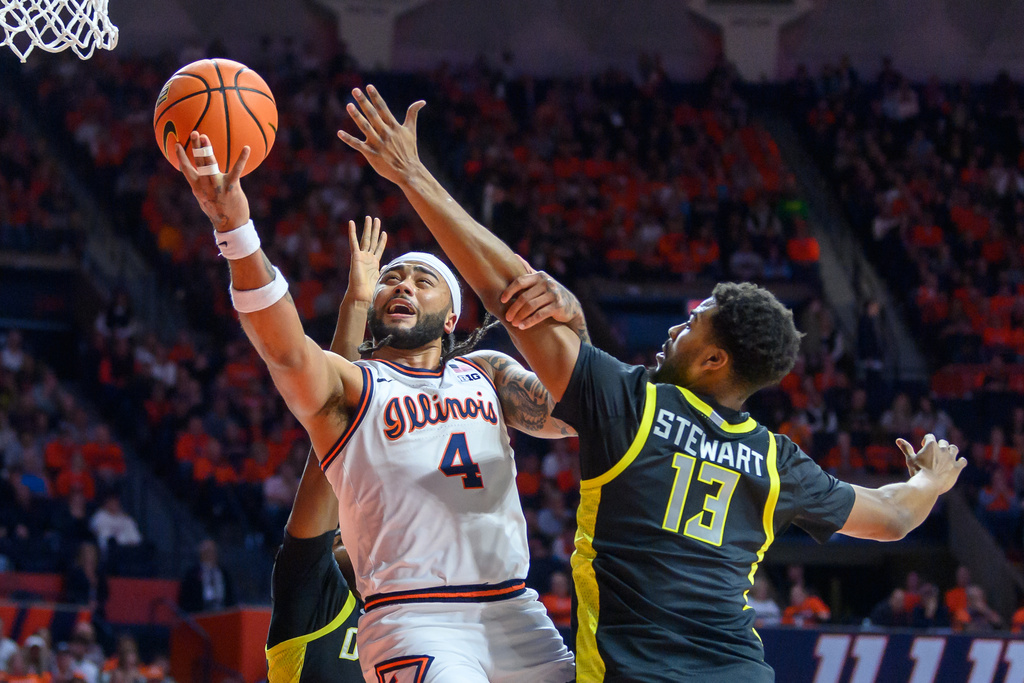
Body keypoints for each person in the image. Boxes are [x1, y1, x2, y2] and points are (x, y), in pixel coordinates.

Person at [339, 84, 967, 682]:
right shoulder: (776, 462)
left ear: (715, 361)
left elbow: (512, 296)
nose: (676, 328)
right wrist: (930, 479)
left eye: (693, 323)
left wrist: (412, 176)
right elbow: (889, 518)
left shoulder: (632, 406)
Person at [174, 130, 577, 683]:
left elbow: (576, 406)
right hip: (416, 618)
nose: (403, 285)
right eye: (391, 277)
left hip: (515, 611)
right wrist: (236, 232)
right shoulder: (355, 388)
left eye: (423, 279)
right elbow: (286, 350)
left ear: (453, 316)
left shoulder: (485, 373)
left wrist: (568, 309)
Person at [266, 217, 383, 682]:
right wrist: (356, 304)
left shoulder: (408, 618)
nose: (347, 534)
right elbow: (333, 430)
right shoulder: (309, 590)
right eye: (341, 530)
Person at [177, 539, 236, 614]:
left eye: (213, 552)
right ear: (201, 554)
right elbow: (185, 600)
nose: (210, 555)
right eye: (207, 552)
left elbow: (231, 597)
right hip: (201, 613)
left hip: (223, 612)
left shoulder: (224, 573)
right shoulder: (192, 574)